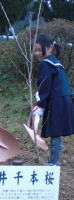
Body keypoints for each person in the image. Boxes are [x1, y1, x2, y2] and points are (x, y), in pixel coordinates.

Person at [33, 34, 74, 166]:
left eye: (40, 49)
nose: (37, 53)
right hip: (64, 99)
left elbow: (45, 86)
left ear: (50, 48)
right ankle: (53, 160)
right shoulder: (55, 61)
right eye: (35, 50)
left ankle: (53, 162)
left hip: (57, 100)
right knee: (57, 131)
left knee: (55, 131)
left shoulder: (46, 64)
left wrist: (40, 104)